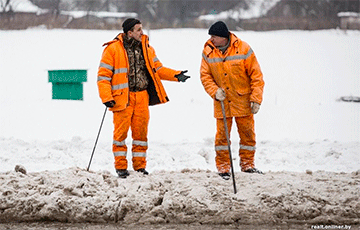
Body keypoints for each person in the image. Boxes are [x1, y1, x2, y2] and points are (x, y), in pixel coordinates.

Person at [97, 18, 190, 178]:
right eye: (138, 29)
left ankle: (140, 167)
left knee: (141, 135)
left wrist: (176, 75)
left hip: (142, 97)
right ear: (129, 32)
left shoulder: (147, 49)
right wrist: (106, 97)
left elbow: (158, 69)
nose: (142, 32)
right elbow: (103, 76)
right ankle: (121, 168)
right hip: (122, 99)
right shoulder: (112, 49)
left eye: (142, 29)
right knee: (120, 136)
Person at [200, 21, 264, 180]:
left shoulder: (244, 48)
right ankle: (223, 168)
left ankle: (248, 165)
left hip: (243, 100)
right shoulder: (208, 51)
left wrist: (256, 99)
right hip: (222, 102)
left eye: (214, 36)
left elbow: (256, 76)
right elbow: (205, 76)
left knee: (248, 135)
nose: (212, 39)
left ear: (223, 36)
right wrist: (214, 91)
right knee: (222, 138)